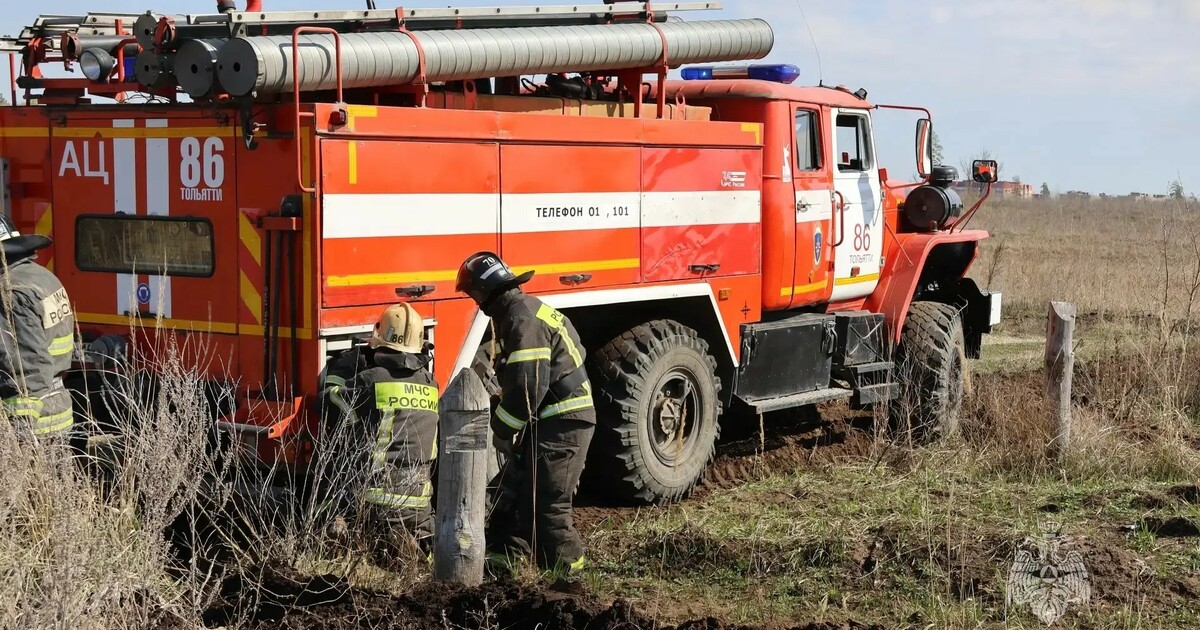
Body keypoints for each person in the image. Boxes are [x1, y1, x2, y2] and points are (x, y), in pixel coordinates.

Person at [455, 251, 595, 579]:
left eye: (474, 293)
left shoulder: (520, 318)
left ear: (487, 290)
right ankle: (503, 576)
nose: (475, 302)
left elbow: (526, 387)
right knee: (515, 499)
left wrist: (502, 430)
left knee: (548, 510)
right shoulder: (519, 312)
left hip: (564, 423)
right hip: (550, 421)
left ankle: (568, 585)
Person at [319, 302, 439, 560]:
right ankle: (407, 547)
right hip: (420, 506)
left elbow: (329, 404)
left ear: (380, 341)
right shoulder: (431, 384)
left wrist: (342, 370)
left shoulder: (371, 379)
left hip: (373, 500)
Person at [0, 215, 75, 443]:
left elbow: (25, 369)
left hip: (32, 423)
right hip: (55, 407)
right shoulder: (41, 277)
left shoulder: (10, 293)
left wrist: (18, 435)